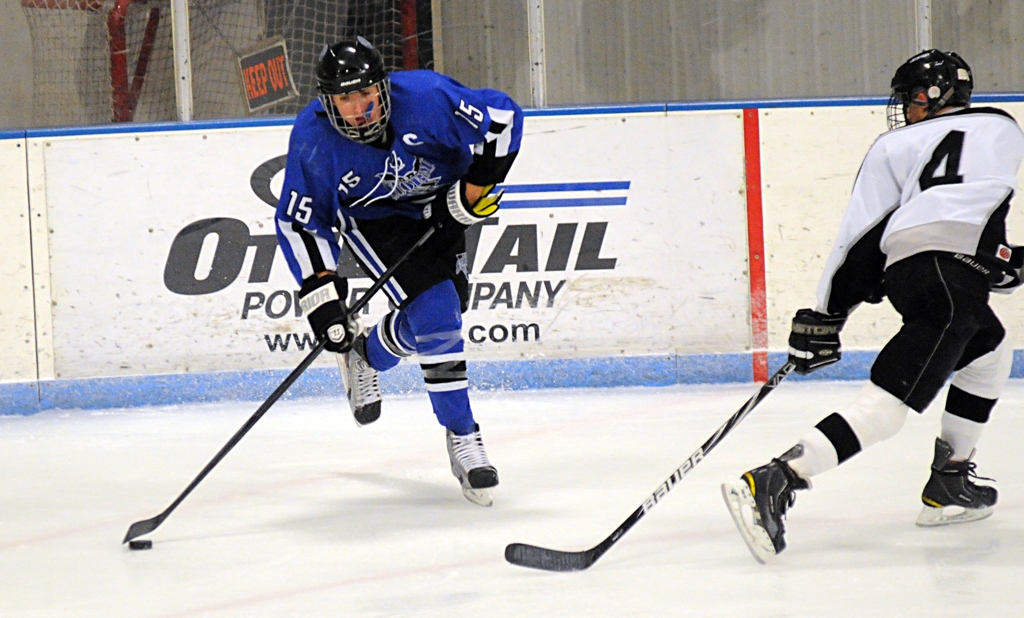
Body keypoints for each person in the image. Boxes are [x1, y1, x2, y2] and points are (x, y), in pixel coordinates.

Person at [721, 49, 1024, 563]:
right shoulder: (1004, 128)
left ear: (934, 97)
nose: (904, 108)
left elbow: (861, 237)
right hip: (954, 278)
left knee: (990, 348)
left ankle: (949, 479)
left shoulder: (893, 144)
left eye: (910, 97)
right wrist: (1000, 256)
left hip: (907, 272)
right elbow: (975, 207)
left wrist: (828, 312)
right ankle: (776, 477)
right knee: (891, 406)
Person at [274, 37, 523, 507]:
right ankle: (463, 437)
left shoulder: (429, 97)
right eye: (344, 98)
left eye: (365, 92)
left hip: (442, 207)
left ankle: (365, 353)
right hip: (374, 219)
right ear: (329, 104)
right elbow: (300, 221)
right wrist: (322, 297)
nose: (358, 108)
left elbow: (504, 120)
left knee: (443, 315)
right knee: (437, 311)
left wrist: (473, 191)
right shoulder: (313, 138)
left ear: (384, 88)